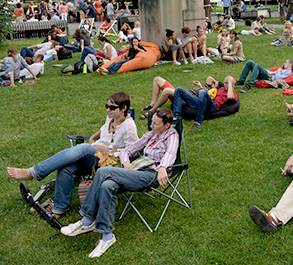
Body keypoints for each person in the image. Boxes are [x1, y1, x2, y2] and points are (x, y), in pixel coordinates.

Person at [59, 108, 177, 258]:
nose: (151, 125)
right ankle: (107, 236)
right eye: (152, 122)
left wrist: (162, 168)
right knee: (107, 185)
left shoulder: (172, 135)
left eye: (156, 123)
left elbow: (171, 153)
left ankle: (87, 219)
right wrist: (126, 161)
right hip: (137, 170)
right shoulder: (151, 135)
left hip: (152, 175)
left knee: (103, 172)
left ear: (167, 126)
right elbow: (127, 150)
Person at [7, 92, 138, 219]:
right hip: (94, 155)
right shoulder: (111, 117)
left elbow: (132, 151)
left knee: (84, 147)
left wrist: (105, 150)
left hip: (108, 162)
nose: (108, 110)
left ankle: (34, 172)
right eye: (107, 106)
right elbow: (103, 128)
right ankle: (60, 207)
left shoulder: (128, 125)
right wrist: (93, 137)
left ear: (124, 108)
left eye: (112, 107)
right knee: (67, 166)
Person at [172, 75, 239, 130]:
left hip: (212, 107)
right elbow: (208, 92)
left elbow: (230, 97)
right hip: (202, 101)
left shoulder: (234, 93)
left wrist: (230, 82)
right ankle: (176, 119)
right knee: (178, 90)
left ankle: (198, 122)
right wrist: (201, 86)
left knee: (202, 92)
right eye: (225, 82)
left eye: (227, 83)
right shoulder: (221, 89)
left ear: (232, 84)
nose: (225, 85)